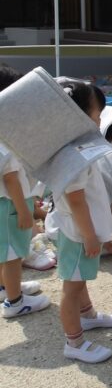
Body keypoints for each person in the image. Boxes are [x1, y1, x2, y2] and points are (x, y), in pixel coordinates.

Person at [51, 81, 112, 363]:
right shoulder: (74, 154)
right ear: (78, 116)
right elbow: (76, 200)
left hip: (77, 229)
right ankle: (74, 342)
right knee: (71, 287)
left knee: (78, 278)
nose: (100, 120)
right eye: (97, 114)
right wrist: (91, 235)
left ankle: (88, 315)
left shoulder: (72, 146)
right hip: (79, 232)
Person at [0, 66, 50, 319]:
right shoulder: (5, 135)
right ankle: (15, 302)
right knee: (12, 255)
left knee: (4, 252)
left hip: (4, 204)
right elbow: (10, 178)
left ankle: (7, 288)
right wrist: (24, 211)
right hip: (9, 205)